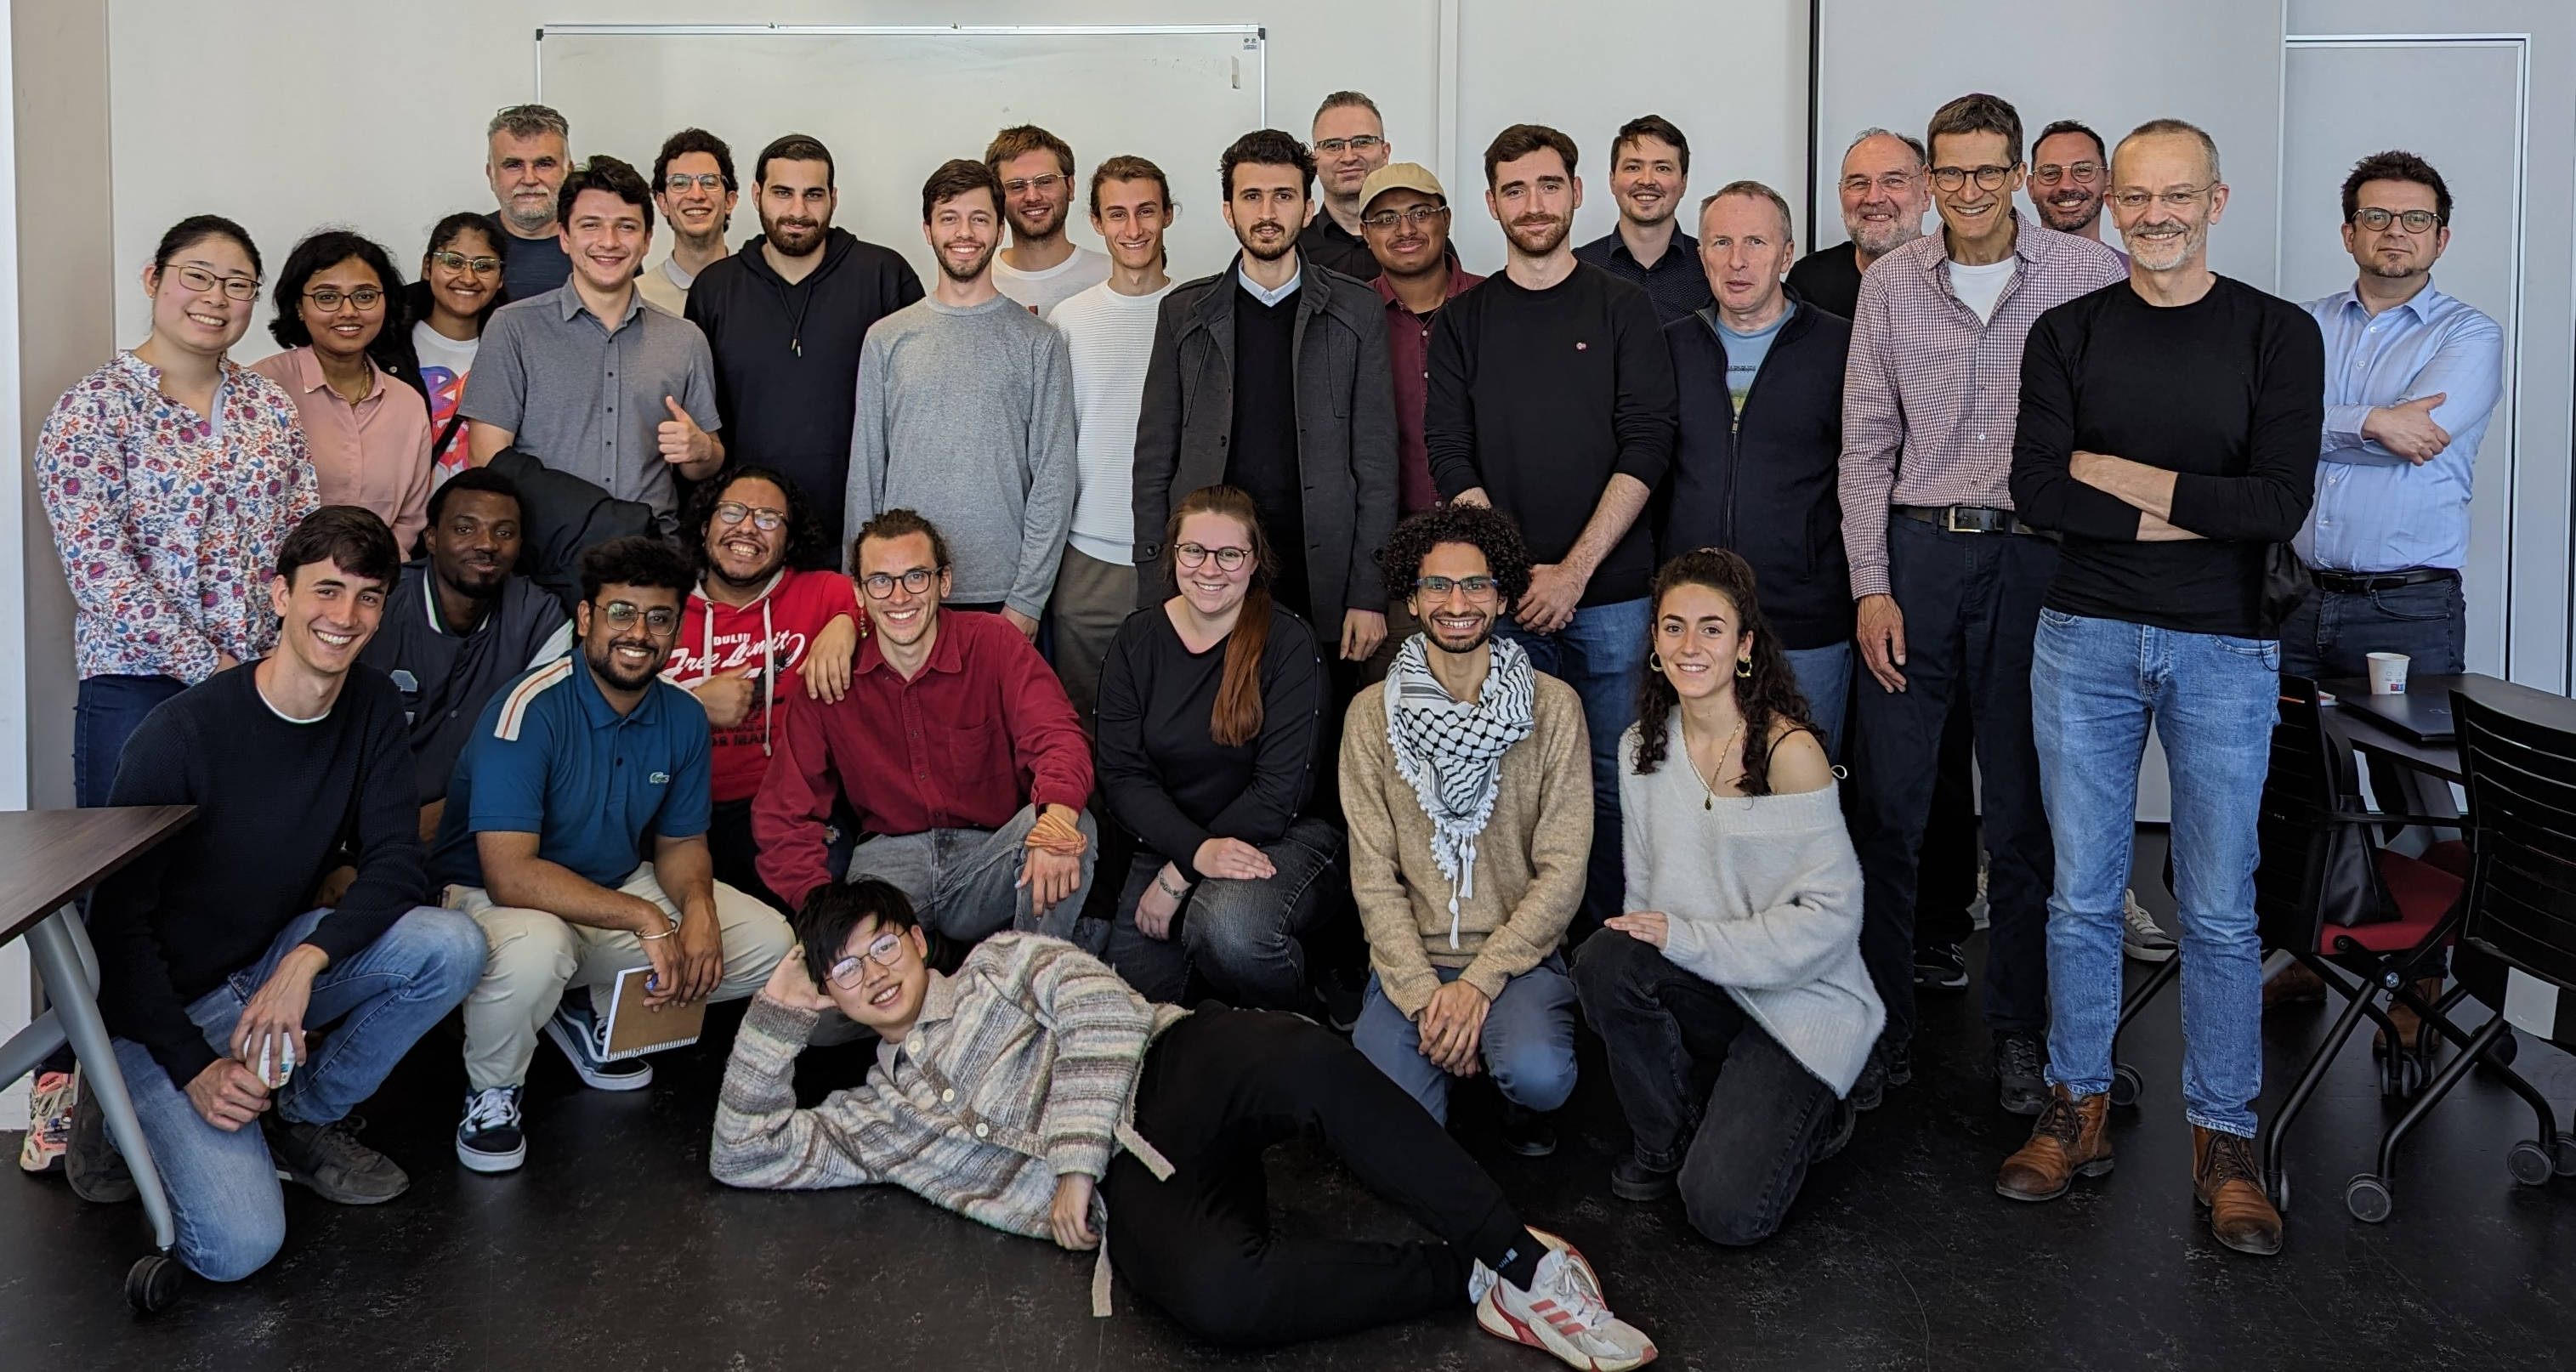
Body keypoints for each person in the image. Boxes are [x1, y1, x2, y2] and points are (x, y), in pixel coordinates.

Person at [711, 882, 1658, 1369]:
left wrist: (1073, 1161)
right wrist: (776, 1016)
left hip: (1168, 1069)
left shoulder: (1001, 959)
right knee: (1223, 1305)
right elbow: (744, 1153)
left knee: (1303, 1056)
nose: (875, 972)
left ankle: (1528, 1262)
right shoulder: (879, 1119)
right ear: (830, 994)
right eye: (845, 970)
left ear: (919, 940)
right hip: (1132, 1198)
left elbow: (1099, 1014)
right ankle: (1473, 1278)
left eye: (886, 943)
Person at [2004, 118, 2319, 1258]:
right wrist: (2189, 494)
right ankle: (2074, 1104)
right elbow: (2037, 487)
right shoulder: (2065, 330)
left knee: (2221, 906)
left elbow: (2273, 503)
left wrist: (2119, 475)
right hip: (2081, 636)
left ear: (2215, 201)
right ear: (2109, 208)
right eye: (2133, 199)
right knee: (2081, 893)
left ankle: (2222, 1139)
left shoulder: (2276, 335)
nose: (2151, 215)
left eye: (2173, 195)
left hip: (2222, 645)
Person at [82, 507, 484, 1278]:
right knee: (238, 1251)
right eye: (326, 591)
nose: (345, 616)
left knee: (453, 943)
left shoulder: (369, 707)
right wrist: (193, 1066)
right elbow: (116, 933)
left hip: (265, 970)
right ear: (278, 596)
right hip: (156, 1012)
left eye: (367, 597)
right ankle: (120, 1102)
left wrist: (303, 962)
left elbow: (398, 862)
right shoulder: (179, 736)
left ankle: (300, 1116)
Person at [1836, 93, 2126, 1114]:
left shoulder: (2090, 273)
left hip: (2041, 561)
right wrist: (1870, 584)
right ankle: (1879, 1034)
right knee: (1889, 804)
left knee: (2023, 811)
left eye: (1986, 170)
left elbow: (2124, 423)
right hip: (1919, 556)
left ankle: (2018, 1035)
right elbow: (1867, 445)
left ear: (2019, 174)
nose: (1966, 190)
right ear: (1928, 177)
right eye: (1947, 172)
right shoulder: (1891, 285)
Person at [434, 536, 795, 1173]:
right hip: (492, 901)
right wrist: (648, 919)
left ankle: (586, 1011)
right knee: (540, 948)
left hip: (612, 885)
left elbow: (681, 843)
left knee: (767, 941)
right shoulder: (529, 708)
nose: (640, 632)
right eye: (621, 612)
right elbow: (508, 872)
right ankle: (492, 1089)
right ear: (585, 619)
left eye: (659, 618)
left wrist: (699, 908)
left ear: (676, 628)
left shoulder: (682, 715)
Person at [1574, 547, 1878, 1244]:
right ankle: (1669, 1138)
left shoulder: (1787, 753)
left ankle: (1817, 1107)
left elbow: (1826, 928)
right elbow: (1649, 902)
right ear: (1653, 641)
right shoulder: (1638, 750)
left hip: (1797, 1001)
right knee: (1606, 959)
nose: (1690, 645)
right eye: (1673, 626)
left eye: (1712, 628)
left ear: (1744, 645)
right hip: (1714, 972)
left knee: (1724, 1215)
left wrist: (1692, 939)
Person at [1425, 122, 1677, 936]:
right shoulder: (1465, 319)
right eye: (1513, 190)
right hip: (1504, 608)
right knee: (1505, 791)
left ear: (1575, 192)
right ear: (1492, 203)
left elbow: (1648, 442)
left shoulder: (1624, 308)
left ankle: (1609, 961)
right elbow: (1448, 452)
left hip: (1610, 604)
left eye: (1547, 186)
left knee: (1613, 788)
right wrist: (1512, 573)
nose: (1532, 205)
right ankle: (1528, 965)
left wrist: (1571, 571)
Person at [35, 215, 318, 808]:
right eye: (197, 276)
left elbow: (303, 538)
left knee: (249, 870)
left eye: (238, 284)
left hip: (260, 675)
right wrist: (210, 666)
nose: (216, 298)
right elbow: (99, 573)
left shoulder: (269, 405)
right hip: (139, 681)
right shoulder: (94, 408)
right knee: (129, 880)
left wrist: (282, 658)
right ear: (152, 280)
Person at [1343, 505, 1589, 1158]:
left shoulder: (1554, 707)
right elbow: (1372, 876)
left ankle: (1508, 1085)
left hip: (1520, 960)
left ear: (1503, 596)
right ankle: (1449, 1056)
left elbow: (1564, 870)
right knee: (1388, 1125)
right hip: (1410, 960)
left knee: (1538, 1074)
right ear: (1413, 600)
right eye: (1437, 586)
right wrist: (1428, 997)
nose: (1458, 602)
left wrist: (1480, 984)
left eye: (1476, 584)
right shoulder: (1370, 717)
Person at [755, 509, 1099, 947]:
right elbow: (784, 811)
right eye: (880, 581)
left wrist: (1056, 827)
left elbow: (1057, 737)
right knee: (835, 980)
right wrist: (820, 905)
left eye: (916, 577)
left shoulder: (993, 642)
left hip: (990, 856)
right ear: (859, 593)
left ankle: (1032, 982)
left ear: (944, 582)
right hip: (887, 867)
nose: (899, 596)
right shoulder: (830, 676)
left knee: (1072, 826)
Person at [1133, 128, 1398, 685]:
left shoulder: (1357, 310)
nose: (1267, 212)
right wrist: (1156, 586)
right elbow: (1155, 460)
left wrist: (1368, 593)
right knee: (1215, 737)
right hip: (1211, 571)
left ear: (1308, 207)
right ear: (1229, 211)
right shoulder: (1184, 314)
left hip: (1319, 568)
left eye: (1283, 196)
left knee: (1321, 744)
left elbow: (1375, 465)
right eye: (1252, 197)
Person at [1097, 487, 1338, 1009]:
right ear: (1174, 554)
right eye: (1194, 551)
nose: (1210, 568)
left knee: (1227, 930)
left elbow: (1280, 793)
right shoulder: (1137, 639)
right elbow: (1122, 775)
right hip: (1171, 836)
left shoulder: (1289, 644)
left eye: (1230, 554)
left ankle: (1307, 1008)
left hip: (1280, 837)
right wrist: (1193, 850)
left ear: (1255, 562)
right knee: (1127, 1006)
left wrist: (1183, 870)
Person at [2287, 150, 2501, 683]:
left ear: (2440, 238)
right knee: (2287, 764)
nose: (2395, 231)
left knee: (2409, 768)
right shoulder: (2298, 325)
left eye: (2417, 219)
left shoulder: (2471, 335)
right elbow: (2257, 430)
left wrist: (2313, 427)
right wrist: (2376, 420)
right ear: (2349, 234)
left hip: (2409, 607)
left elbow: (2411, 442)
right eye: (2376, 217)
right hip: (2290, 596)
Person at [1660, 181, 1854, 758]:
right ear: (1701, 255)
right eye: (1720, 242)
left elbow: (1870, 474)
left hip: (1806, 619)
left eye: (1755, 243)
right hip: (1696, 623)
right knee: (1699, 793)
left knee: (1804, 790)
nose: (1737, 261)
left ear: (1787, 254)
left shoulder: (1844, 346)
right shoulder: (1668, 347)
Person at [845, 159, 1077, 638]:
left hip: (1005, 596)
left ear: (998, 230)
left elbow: (1054, 478)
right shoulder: (886, 339)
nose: (964, 232)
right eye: (949, 218)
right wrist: (863, 587)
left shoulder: (1038, 341)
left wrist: (1028, 601)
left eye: (979, 218)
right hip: (902, 589)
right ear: (927, 229)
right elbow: (866, 470)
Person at [687, 134, 923, 557]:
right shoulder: (715, 290)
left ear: (833, 198)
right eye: (782, 193)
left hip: (863, 537)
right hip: (750, 540)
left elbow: (918, 415)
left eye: (813, 195)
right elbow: (705, 426)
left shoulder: (885, 276)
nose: (797, 211)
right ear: (757, 195)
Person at [462, 155, 725, 527]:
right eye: (591, 225)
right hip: (544, 555)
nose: (609, 242)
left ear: (648, 240)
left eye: (626, 227)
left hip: (650, 559)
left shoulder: (685, 339)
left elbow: (709, 459)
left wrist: (700, 451)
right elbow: (487, 459)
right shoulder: (513, 328)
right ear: (564, 237)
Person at [666, 467, 860, 911]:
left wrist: (847, 622)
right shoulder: (663, 604)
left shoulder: (823, 593)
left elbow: (891, 606)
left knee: (823, 919)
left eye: (769, 518)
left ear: (789, 541)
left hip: (795, 811)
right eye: (732, 511)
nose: (748, 527)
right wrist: (693, 705)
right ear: (704, 525)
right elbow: (609, 704)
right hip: (681, 816)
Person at [357, 466, 571, 837]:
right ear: (431, 538)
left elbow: (539, 753)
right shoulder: (378, 603)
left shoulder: (542, 619)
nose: (486, 543)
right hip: (363, 826)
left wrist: (442, 817)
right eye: (464, 528)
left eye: (504, 532)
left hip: (486, 827)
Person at [1047, 155, 1177, 728]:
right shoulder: (1068, 318)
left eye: (1146, 211)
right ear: (1096, 223)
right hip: (1090, 556)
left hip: (1180, 556)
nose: (1133, 228)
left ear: (1168, 215)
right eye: (1117, 214)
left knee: (1172, 719)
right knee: (1089, 721)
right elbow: (1053, 445)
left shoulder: (1196, 309)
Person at [1359, 162, 1484, 678]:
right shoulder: (1348, 315)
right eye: (1386, 218)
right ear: (1366, 235)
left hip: (1488, 556)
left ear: (1447, 220)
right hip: (1390, 563)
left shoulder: (1493, 304)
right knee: (1392, 722)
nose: (1405, 230)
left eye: (1419, 213)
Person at [250, 230, 434, 554]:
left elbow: (409, 520)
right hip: (279, 590)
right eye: (327, 296)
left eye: (364, 296)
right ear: (299, 307)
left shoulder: (407, 404)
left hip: (376, 590)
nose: (348, 312)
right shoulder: (262, 389)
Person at [393, 213, 508, 486]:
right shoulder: (388, 346)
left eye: (484, 266)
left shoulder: (514, 350)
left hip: (480, 516)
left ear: (501, 277)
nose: (468, 278)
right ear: (427, 266)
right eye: (454, 262)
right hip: (402, 513)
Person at [1575, 115, 1712, 323]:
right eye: (1633, 167)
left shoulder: (1712, 267)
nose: (1647, 180)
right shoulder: (1577, 268)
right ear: (1612, 180)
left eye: (1662, 168)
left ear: (1684, 182)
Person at [1784, 129, 1931, 320]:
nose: (1873, 198)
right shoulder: (1810, 281)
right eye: (1859, 184)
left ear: (1926, 194)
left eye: (1893, 181)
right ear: (1840, 195)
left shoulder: (1956, 280)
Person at [987, 124, 1111, 316]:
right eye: (1016, 186)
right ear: (996, 196)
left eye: (1045, 181)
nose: (1032, 197)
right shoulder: (979, 281)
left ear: (1070, 187)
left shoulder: (1110, 276)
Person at [638, 128, 738, 315]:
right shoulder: (637, 298)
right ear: (663, 203)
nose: (696, 195)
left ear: (729, 201)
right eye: (679, 183)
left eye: (709, 182)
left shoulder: (760, 291)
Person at [1302, 90, 1394, 280]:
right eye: (1332, 145)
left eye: (1362, 142)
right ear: (1314, 160)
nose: (1348, 157)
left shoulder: (1419, 242)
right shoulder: (1293, 248)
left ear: (1384, 154)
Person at [484, 104, 573, 299]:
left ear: (569, 172)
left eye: (544, 164)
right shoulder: (467, 245)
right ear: (491, 175)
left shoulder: (601, 248)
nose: (530, 179)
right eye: (514, 165)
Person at [2029, 120, 2116, 248]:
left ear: (2108, 181)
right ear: (2031, 188)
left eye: (2083, 170)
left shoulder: (2128, 268)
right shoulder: (2008, 267)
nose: (2066, 186)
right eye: (2050, 173)